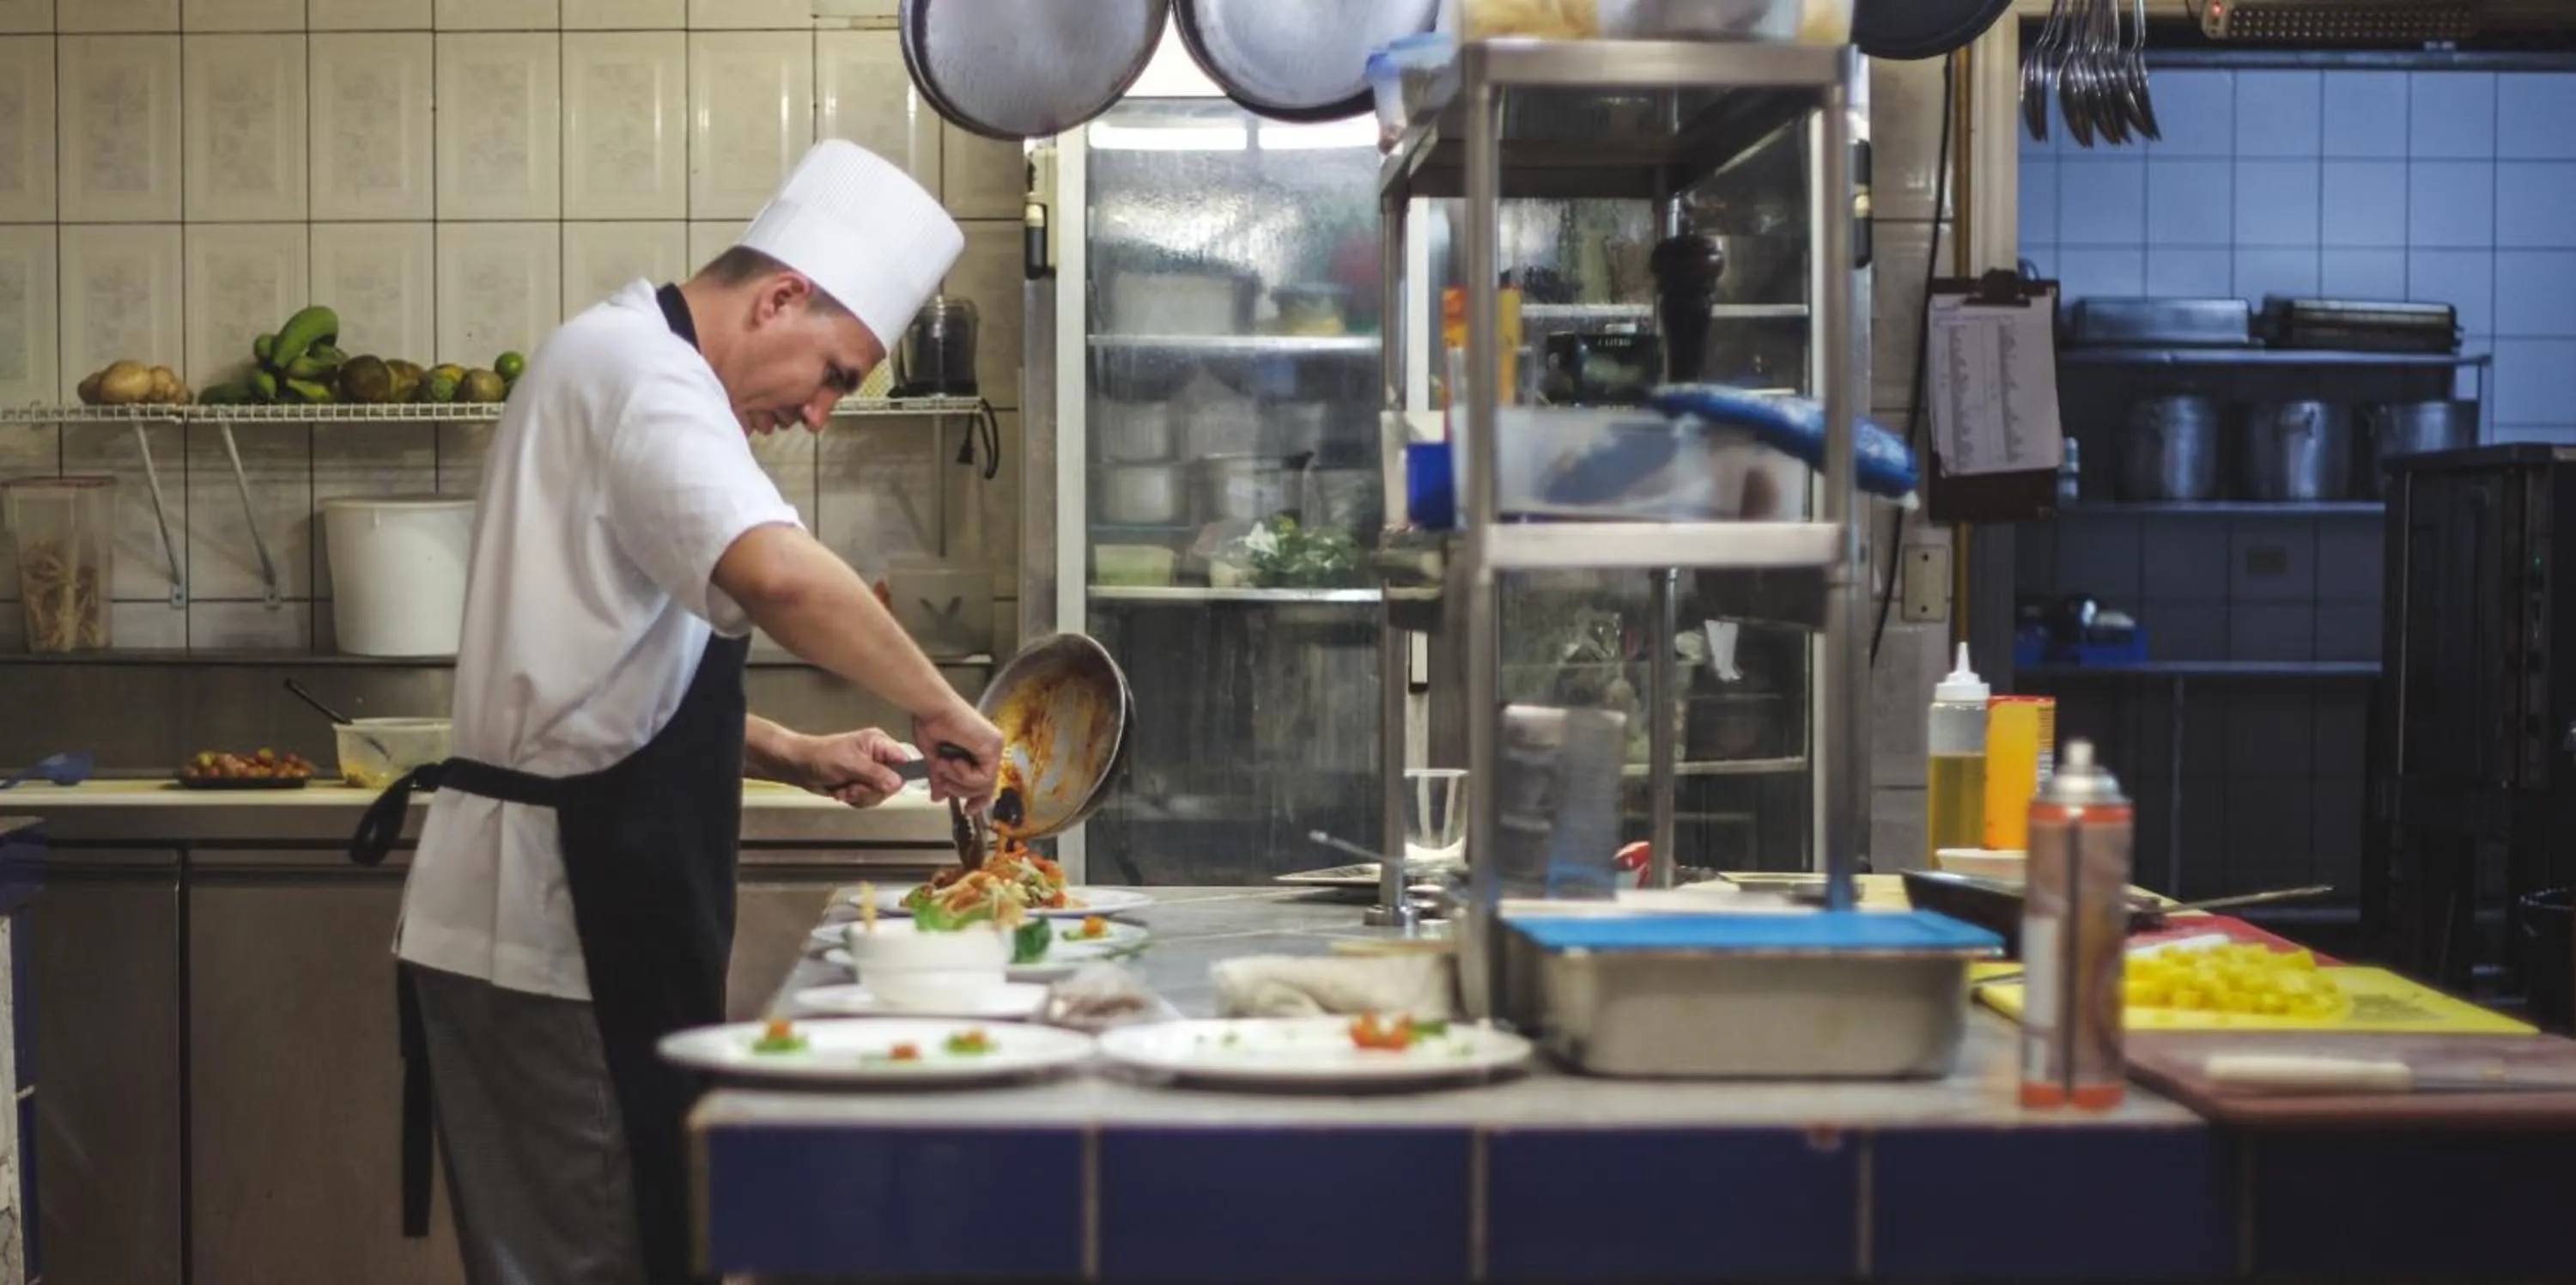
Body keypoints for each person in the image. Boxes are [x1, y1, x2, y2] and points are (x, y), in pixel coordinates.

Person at [346, 139, 1002, 1285]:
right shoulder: (644, 376)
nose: (822, 414)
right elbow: (783, 578)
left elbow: (597, 679)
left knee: (638, 1247)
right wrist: (941, 705)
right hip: (549, 933)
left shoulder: (625, 362)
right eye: (838, 372)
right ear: (781, 297)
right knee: (597, 1261)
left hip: (585, 926)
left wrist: (793, 752)